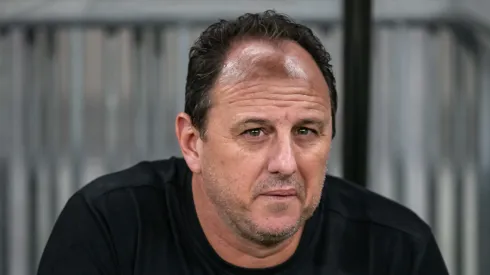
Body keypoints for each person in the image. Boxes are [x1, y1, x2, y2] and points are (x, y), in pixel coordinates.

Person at [37, 10, 449, 275]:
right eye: (255, 132)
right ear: (192, 143)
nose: (285, 162)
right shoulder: (110, 227)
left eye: (306, 131)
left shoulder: (397, 251)